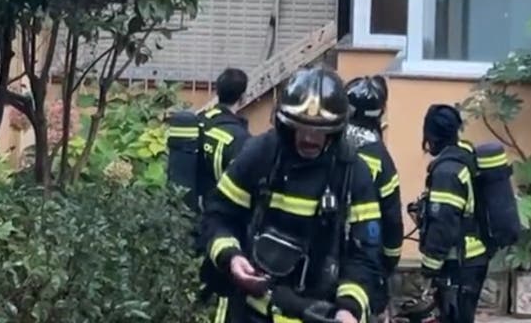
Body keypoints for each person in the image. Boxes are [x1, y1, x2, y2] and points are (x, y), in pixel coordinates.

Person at [201, 65, 385, 323]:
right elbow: (218, 216)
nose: (310, 137)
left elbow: (365, 256)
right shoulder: (259, 156)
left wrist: (349, 308)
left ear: (336, 130)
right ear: (286, 124)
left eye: (321, 129)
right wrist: (232, 257)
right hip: (251, 311)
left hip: (319, 315)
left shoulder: (353, 174)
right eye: (302, 127)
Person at [416, 104, 489, 323]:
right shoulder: (463, 156)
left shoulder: (447, 172)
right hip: (472, 258)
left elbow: (444, 224)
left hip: (458, 262)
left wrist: (429, 267)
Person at [344, 75, 404, 320]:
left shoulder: (325, 143)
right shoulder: (381, 159)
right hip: (364, 258)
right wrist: (389, 261)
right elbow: (392, 219)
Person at [166, 67, 252, 212]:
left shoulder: (200, 121)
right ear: (243, 98)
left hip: (190, 211)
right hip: (217, 215)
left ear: (217, 92)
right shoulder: (239, 138)